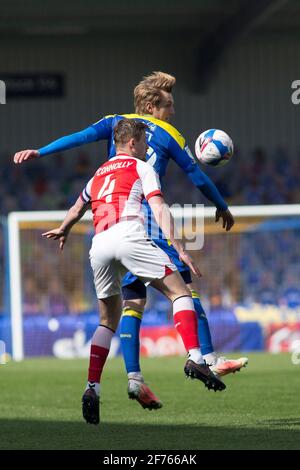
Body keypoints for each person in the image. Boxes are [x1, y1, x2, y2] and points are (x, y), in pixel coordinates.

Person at [13, 71, 248, 409]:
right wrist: (221, 206)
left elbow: (78, 139)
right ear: (152, 107)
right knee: (183, 290)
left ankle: (130, 380)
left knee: (129, 305)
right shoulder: (166, 135)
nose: (173, 112)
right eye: (169, 105)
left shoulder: (113, 128)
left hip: (105, 229)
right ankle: (206, 357)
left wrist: (40, 151)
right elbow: (195, 176)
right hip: (144, 224)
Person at [42, 119, 225, 425]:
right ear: (131, 143)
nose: (145, 148)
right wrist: (179, 248)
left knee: (107, 320)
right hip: (129, 235)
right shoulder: (142, 167)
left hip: (99, 244)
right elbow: (159, 208)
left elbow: (76, 209)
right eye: (142, 143)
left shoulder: (98, 174)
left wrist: (63, 229)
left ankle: (92, 388)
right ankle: (196, 358)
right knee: (180, 292)